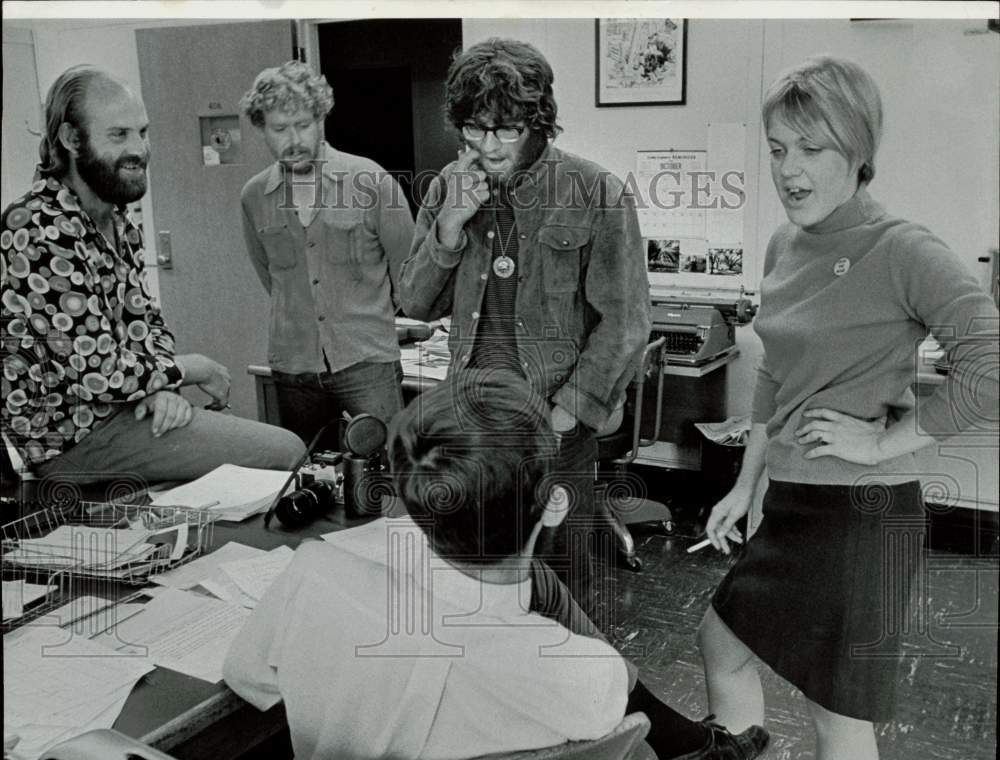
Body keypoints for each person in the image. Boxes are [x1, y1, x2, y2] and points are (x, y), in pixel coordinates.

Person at [224, 371, 770, 760]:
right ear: (555, 503)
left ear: (413, 504)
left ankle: (692, 747)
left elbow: (248, 677)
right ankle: (692, 749)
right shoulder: (588, 676)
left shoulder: (314, 572)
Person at [697, 56, 1000, 760]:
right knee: (719, 641)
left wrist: (883, 443)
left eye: (811, 149)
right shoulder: (781, 245)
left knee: (839, 716)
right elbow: (774, 383)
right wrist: (746, 483)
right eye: (776, 148)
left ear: (859, 151)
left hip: (860, 514)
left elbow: (989, 365)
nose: (788, 171)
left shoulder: (902, 248)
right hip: (793, 500)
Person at [398, 38, 651, 618]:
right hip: (472, 430)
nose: (488, 147)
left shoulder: (596, 192)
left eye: (505, 130)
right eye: (473, 130)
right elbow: (414, 303)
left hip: (554, 431)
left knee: (561, 588)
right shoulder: (447, 188)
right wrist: (448, 228)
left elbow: (626, 323)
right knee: (479, 591)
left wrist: (567, 413)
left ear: (538, 122)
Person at [1, 65, 305, 485]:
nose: (139, 149)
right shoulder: (35, 226)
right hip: (73, 440)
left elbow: (147, 326)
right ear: (72, 140)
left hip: (123, 410)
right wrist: (192, 369)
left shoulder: (117, 217)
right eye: (118, 135)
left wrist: (159, 387)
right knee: (285, 453)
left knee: (263, 457)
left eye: (142, 132)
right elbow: (96, 370)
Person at [239, 61, 415, 451]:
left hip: (368, 362)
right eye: (279, 129)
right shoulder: (254, 196)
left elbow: (410, 272)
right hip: (294, 366)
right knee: (309, 475)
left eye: (303, 124)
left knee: (386, 471)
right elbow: (270, 276)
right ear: (261, 130)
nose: (293, 139)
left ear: (321, 118)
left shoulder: (370, 182)